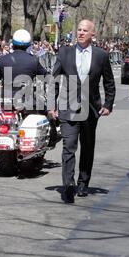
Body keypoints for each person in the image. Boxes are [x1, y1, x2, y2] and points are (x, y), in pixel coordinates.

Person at [48, 19, 115, 204]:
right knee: (69, 146)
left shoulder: (101, 55)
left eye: (85, 30)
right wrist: (51, 106)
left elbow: (109, 82)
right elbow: (53, 80)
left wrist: (108, 104)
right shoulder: (65, 53)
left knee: (87, 147)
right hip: (67, 108)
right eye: (78, 30)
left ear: (92, 34)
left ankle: (83, 182)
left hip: (91, 109)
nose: (81, 33)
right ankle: (68, 185)